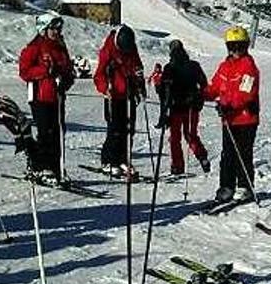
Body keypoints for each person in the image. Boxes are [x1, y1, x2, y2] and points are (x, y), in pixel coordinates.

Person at [204, 26, 260, 203]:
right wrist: (199, 94)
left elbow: (246, 93)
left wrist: (229, 106)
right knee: (227, 154)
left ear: (246, 47)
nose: (236, 51)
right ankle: (226, 186)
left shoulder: (249, 67)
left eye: (240, 47)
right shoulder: (224, 66)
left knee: (243, 153)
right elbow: (214, 87)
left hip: (245, 118)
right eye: (232, 47)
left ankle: (245, 187)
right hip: (229, 119)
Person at [18, 13, 74, 185]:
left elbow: (67, 68)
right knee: (45, 132)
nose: (57, 32)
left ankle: (55, 166)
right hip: (40, 96)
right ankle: (41, 166)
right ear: (44, 29)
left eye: (59, 28)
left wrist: (67, 79)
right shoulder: (35, 47)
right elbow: (24, 71)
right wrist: (45, 72)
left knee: (58, 131)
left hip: (57, 96)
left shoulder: (60, 47)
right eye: (53, 28)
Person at [93, 24, 144, 177]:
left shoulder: (131, 48)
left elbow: (137, 65)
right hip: (113, 95)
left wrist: (139, 80)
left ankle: (124, 159)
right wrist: (104, 88)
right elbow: (99, 75)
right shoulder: (108, 50)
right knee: (115, 130)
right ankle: (109, 161)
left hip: (129, 94)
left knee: (129, 130)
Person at [157, 39, 210, 176]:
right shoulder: (194, 65)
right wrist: (199, 98)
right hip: (192, 107)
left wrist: (164, 112)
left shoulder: (169, 67)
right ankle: (201, 156)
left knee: (175, 138)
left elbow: (164, 92)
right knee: (191, 135)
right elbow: (204, 84)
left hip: (176, 108)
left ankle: (177, 166)